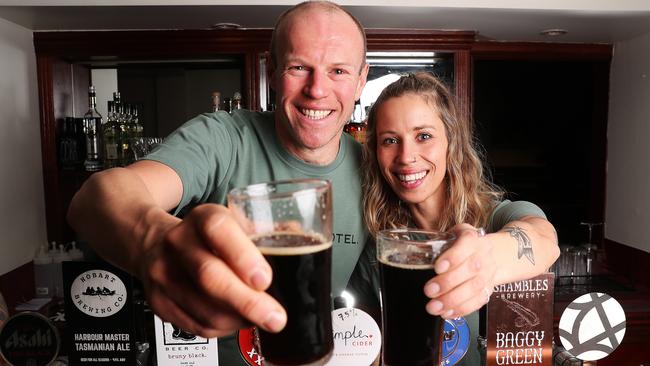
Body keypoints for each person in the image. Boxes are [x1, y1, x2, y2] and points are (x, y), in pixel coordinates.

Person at [67, 1, 369, 364]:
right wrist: (152, 241)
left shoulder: (374, 169)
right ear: (272, 72)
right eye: (299, 67)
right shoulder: (223, 137)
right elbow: (93, 199)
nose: (317, 89)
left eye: (338, 70)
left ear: (361, 80)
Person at [354, 72, 560, 365]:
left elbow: (543, 239)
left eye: (423, 136)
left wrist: (485, 257)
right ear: (376, 152)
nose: (406, 156)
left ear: (452, 142)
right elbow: (368, 344)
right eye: (390, 140)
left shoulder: (493, 216)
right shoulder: (382, 247)